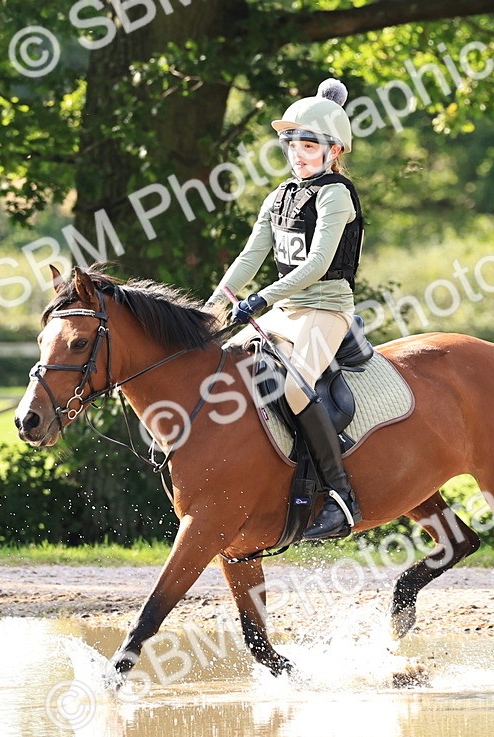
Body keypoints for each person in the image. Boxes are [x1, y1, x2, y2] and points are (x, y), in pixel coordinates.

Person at [205, 77, 364, 541]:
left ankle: (340, 496)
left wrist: (259, 299)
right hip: (283, 308)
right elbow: (250, 258)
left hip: (324, 309)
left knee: (295, 389)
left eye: (308, 143)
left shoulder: (337, 194)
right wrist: (213, 307)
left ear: (334, 150)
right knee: (218, 366)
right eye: (291, 142)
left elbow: (317, 265)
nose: (297, 152)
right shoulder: (279, 196)